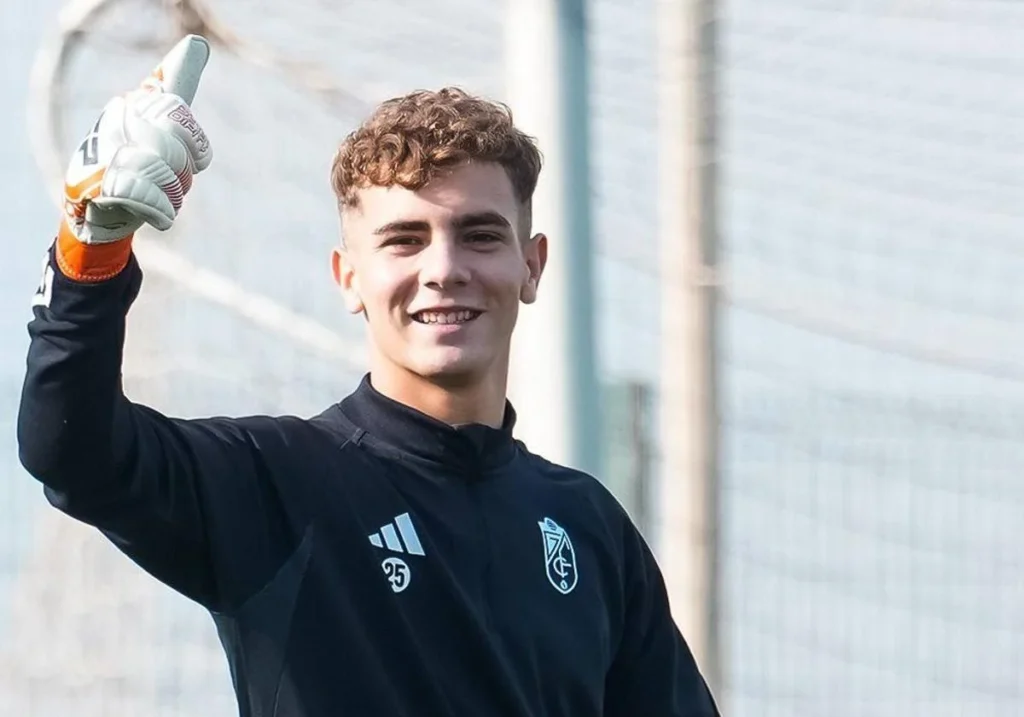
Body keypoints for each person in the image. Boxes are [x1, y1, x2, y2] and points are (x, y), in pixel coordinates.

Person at [17, 34, 720, 717]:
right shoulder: (278, 483)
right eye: (404, 240)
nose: (444, 268)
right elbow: (71, 452)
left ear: (531, 265)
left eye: (479, 234)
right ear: (348, 276)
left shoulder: (589, 525)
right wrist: (92, 247)